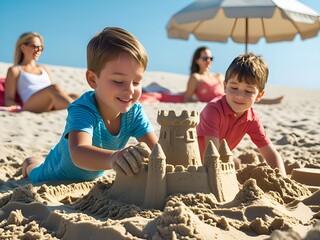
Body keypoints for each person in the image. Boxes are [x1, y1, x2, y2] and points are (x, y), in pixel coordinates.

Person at [22, 27, 158, 183]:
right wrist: (113, 157)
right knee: (34, 170)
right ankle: (29, 162)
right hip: (53, 174)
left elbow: (157, 150)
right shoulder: (84, 109)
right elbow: (79, 152)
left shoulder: (134, 112)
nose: (130, 90)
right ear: (93, 79)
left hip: (92, 175)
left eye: (136, 82)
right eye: (118, 81)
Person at [196, 53, 286, 176]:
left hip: (217, 158)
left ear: (259, 95)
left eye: (248, 91)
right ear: (225, 86)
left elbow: (270, 154)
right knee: (233, 164)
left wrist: (282, 179)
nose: (239, 95)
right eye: (234, 87)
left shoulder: (252, 118)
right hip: (195, 161)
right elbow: (211, 155)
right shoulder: (213, 110)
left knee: (236, 163)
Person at [141, 46, 283, 104]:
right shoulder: (196, 78)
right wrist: (200, 101)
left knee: (245, 92)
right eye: (205, 58)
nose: (208, 61)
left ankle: (268, 100)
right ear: (197, 60)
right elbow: (187, 98)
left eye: (210, 58)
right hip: (217, 102)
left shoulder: (219, 76)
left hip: (229, 99)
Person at [4, 32, 78, 113]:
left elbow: (53, 92)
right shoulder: (15, 70)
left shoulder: (43, 68)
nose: (39, 50)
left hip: (48, 101)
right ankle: (81, 112)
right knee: (54, 88)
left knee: (76, 96)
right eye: (34, 46)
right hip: (31, 104)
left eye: (41, 47)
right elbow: (8, 99)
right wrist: (16, 107)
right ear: (23, 47)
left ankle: (83, 110)